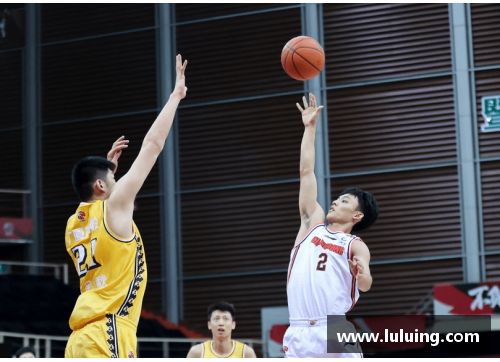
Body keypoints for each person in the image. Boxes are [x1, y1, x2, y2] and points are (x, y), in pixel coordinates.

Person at [63, 55, 188, 358]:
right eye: (112, 181)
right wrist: (176, 96)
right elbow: (152, 146)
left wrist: (108, 174)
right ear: (102, 187)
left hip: (78, 340)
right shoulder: (114, 206)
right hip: (109, 331)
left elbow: (92, 203)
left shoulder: (72, 224)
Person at [283, 93, 379, 358]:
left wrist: (360, 275)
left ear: (357, 215)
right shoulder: (312, 223)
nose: (335, 201)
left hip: (334, 328)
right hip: (299, 329)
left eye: (344, 200)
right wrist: (309, 129)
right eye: (337, 198)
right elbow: (306, 171)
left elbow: (366, 284)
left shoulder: (355, 245)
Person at [186, 302, 257, 358]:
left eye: (225, 319)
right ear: (209, 325)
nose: (221, 323)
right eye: (216, 319)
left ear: (233, 325)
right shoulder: (197, 353)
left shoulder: (246, 353)